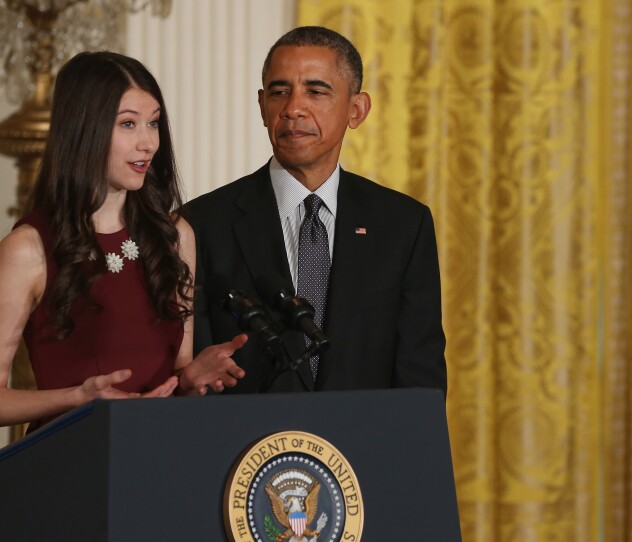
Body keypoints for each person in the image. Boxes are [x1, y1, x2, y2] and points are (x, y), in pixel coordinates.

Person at [183, 26, 446, 394]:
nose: (293, 109)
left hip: (362, 447)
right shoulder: (201, 224)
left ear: (357, 109)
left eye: (315, 91)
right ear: (262, 107)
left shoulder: (403, 224)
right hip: (245, 447)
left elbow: (420, 377)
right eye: (279, 92)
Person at [0, 51, 247, 431]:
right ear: (85, 130)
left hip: (161, 457)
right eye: (128, 124)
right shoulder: (28, 249)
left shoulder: (176, 236)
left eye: (154, 123)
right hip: (71, 467)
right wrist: (80, 398)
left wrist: (189, 377)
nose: (148, 143)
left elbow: (174, 372)